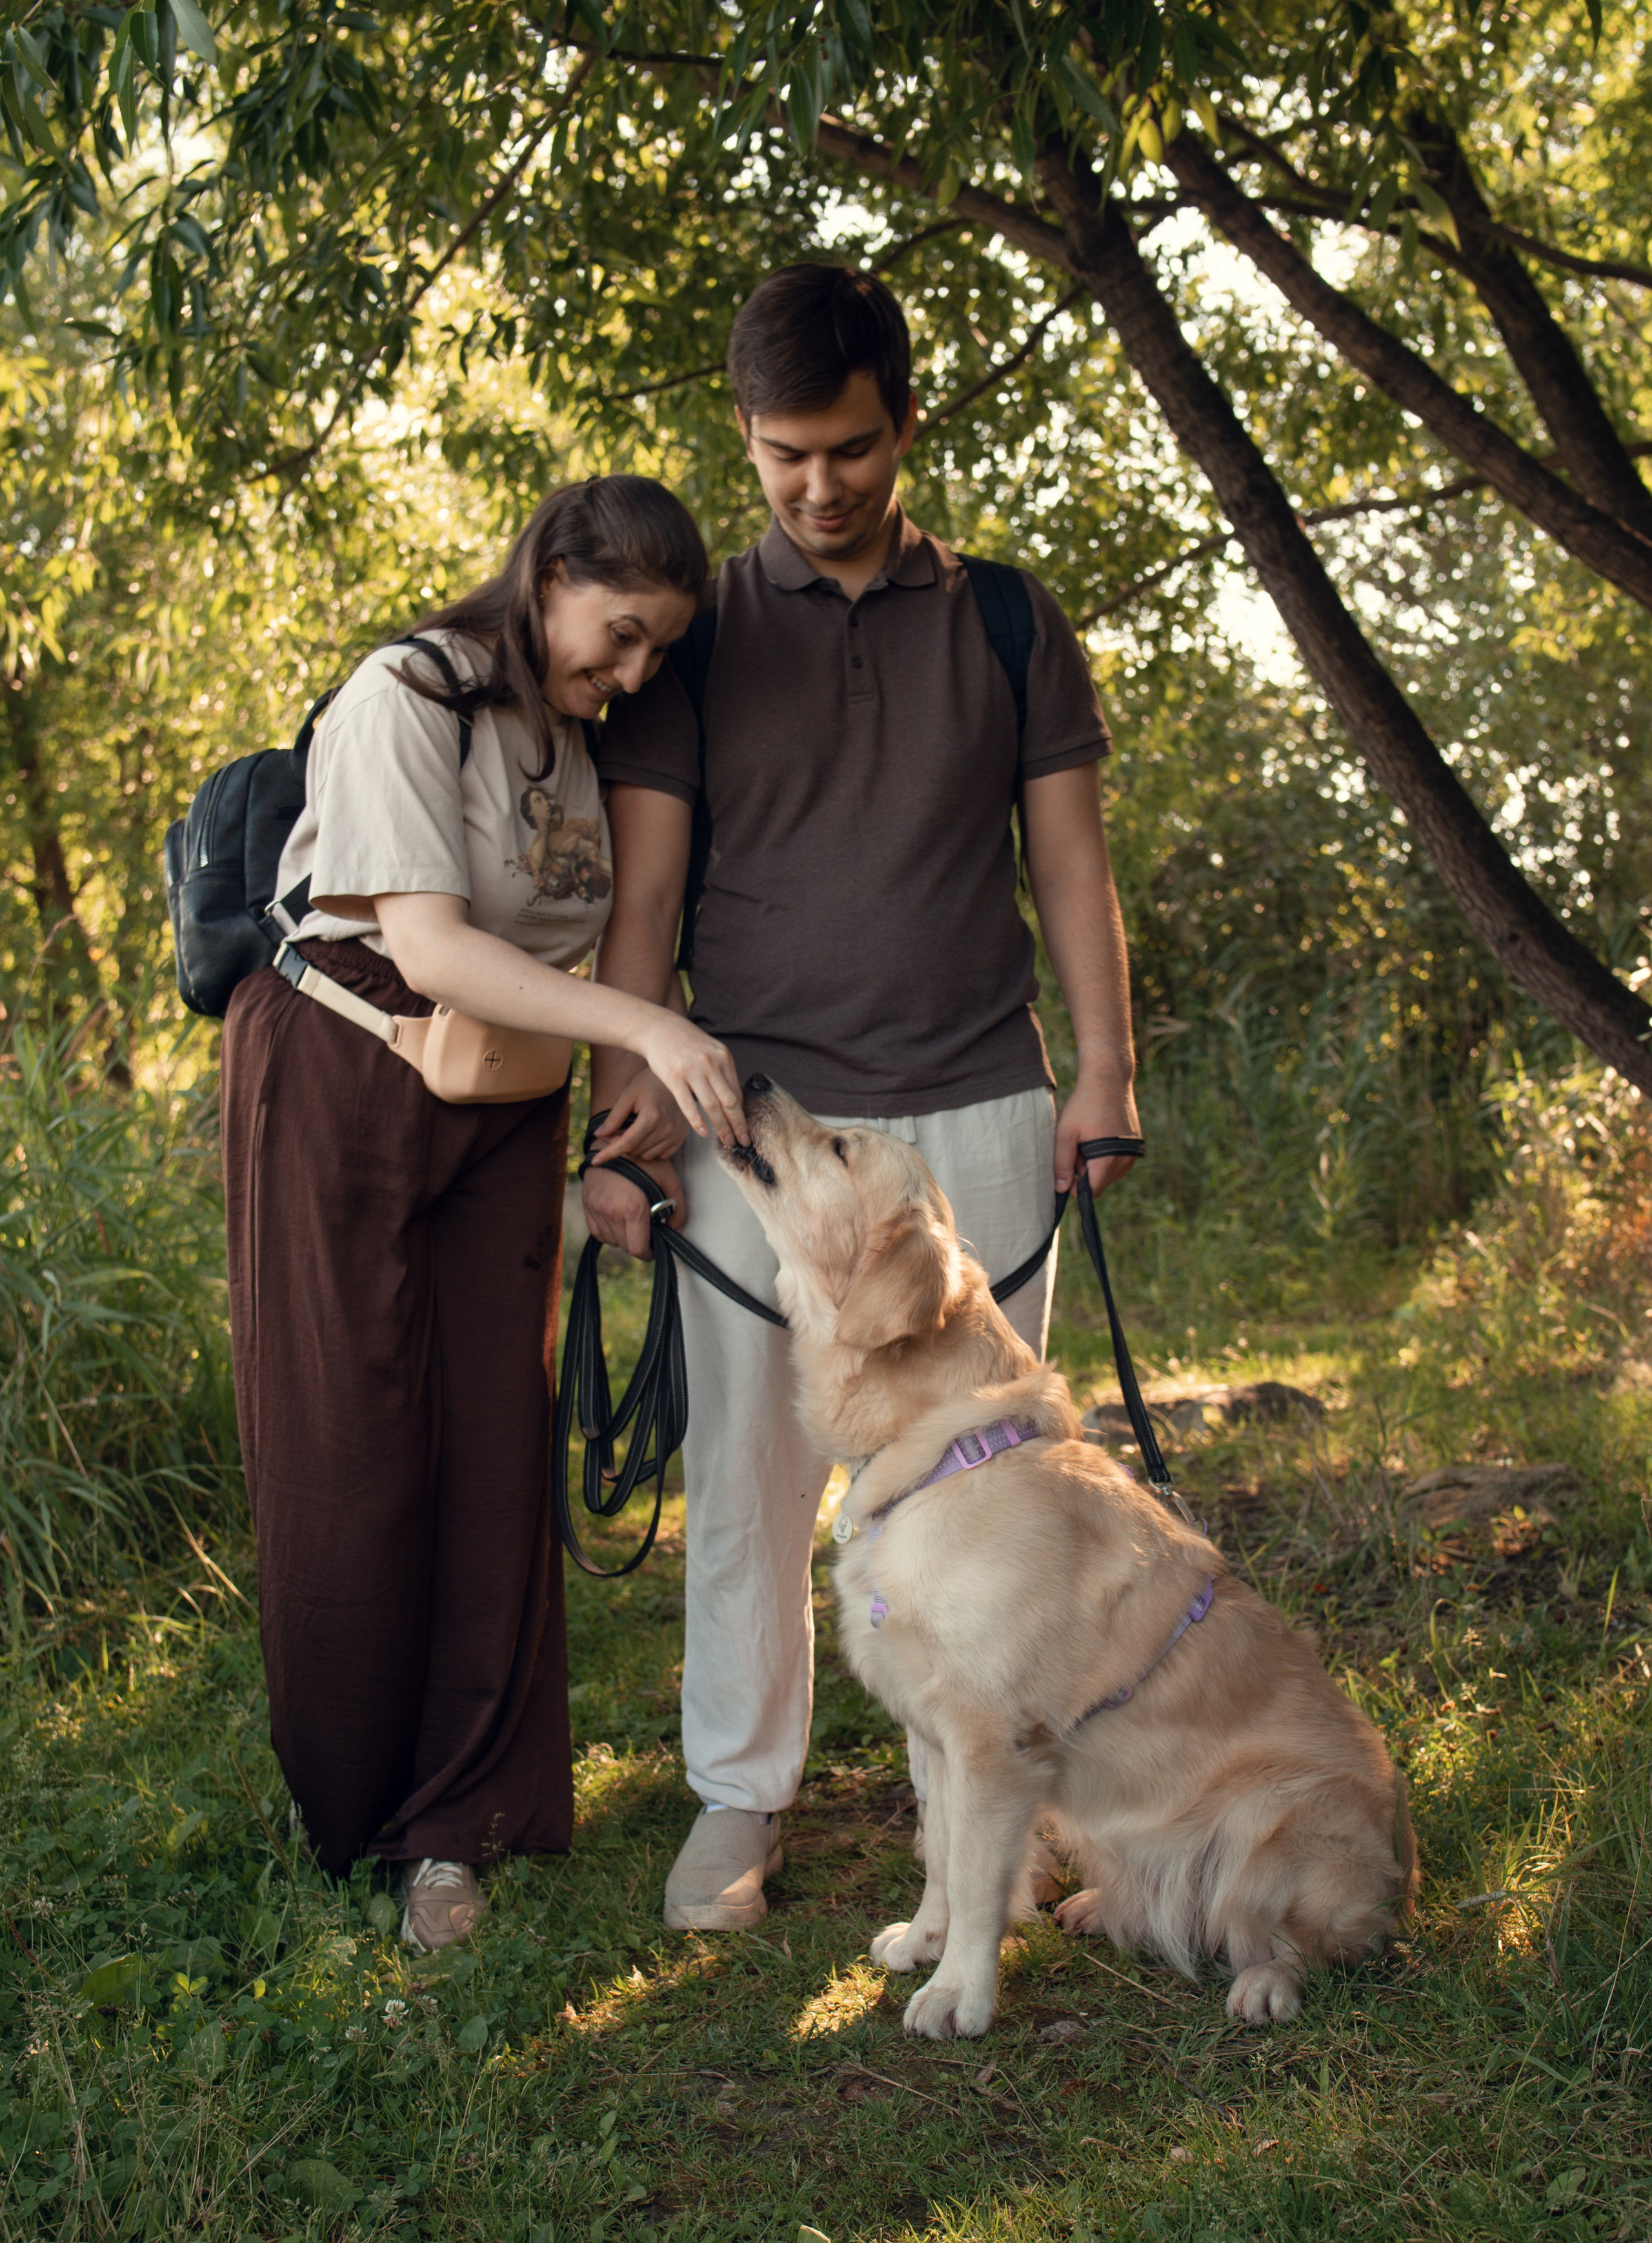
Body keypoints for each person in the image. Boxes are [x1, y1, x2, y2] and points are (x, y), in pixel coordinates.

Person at [583, 267, 1140, 1932]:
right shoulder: (691, 636)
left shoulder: (1007, 620)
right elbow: (645, 897)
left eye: (844, 448)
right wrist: (622, 1103)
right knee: (746, 1480)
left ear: (904, 422)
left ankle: (1015, 1809)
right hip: (760, 1139)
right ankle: (737, 1799)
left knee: (1006, 1498)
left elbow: (1067, 860)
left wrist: (1099, 1068)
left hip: (977, 1104)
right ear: (742, 439)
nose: (813, 486)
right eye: (779, 455)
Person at [219, 476, 747, 1949]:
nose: (633, 675)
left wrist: (613, 1115)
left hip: (499, 1103)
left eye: (657, 654)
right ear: (552, 571)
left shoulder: (583, 743)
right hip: (342, 1063)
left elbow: (586, 945)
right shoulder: (407, 695)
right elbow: (439, 950)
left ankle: (460, 1822)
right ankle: (357, 1807)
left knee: (498, 1439)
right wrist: (651, 1036)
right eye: (620, 636)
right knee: (356, 1440)